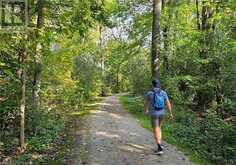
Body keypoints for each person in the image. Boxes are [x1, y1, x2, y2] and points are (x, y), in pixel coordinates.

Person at [144, 79, 173, 155]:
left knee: (156, 129)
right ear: (159, 84)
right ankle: (160, 144)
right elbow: (168, 103)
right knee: (159, 127)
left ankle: (159, 148)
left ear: (152, 85)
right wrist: (170, 113)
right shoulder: (163, 92)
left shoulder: (149, 93)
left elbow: (146, 103)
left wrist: (146, 110)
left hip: (154, 113)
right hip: (162, 113)